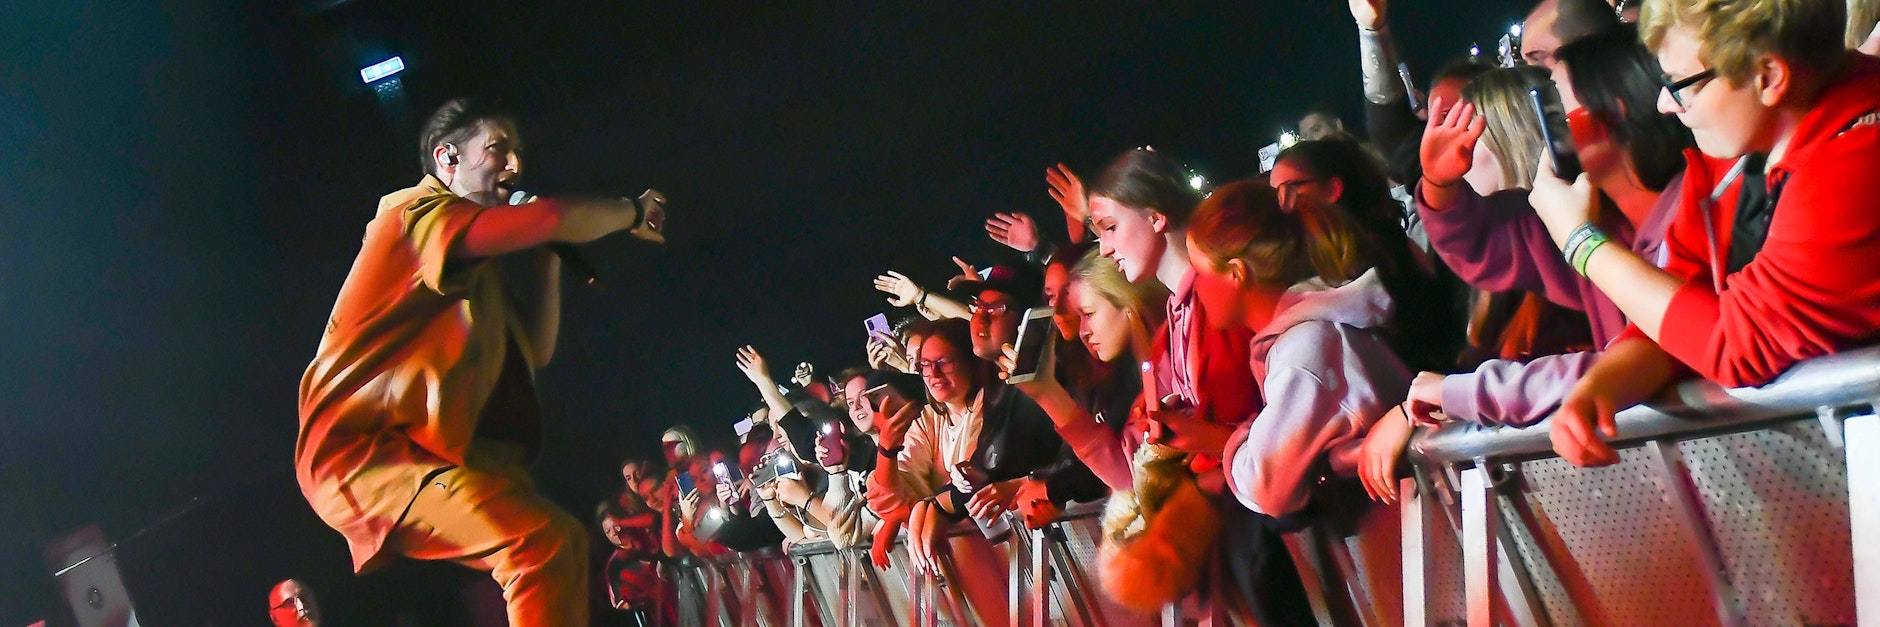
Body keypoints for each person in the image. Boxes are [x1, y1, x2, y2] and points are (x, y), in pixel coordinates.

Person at [294, 98, 668, 626]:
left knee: (558, 540)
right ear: (447, 158)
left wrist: (546, 256)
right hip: (363, 454)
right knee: (538, 545)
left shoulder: (472, 270)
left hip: (421, 452)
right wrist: (631, 211)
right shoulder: (414, 220)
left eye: (518, 152)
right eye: (498, 150)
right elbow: (554, 214)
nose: (515, 166)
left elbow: (534, 350)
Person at [1526, 0, 1880, 466]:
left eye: (1679, 85)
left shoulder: (1858, 161)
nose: (1663, 104)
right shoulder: (1733, 152)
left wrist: (1581, 242)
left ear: (1768, 76)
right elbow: (1679, 301)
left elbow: (1737, 343)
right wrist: (1603, 383)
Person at [1364, 25, 1693, 484]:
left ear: (1610, 114)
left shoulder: (1688, 217)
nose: (1548, 123)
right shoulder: (1587, 218)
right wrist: (1440, 186)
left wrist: (1455, 393)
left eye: (1556, 105)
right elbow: (1480, 248)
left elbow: (1655, 351)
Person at [1087, 148, 1313, 625]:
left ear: (1155, 216)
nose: (1105, 248)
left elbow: (1269, 415)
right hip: (1239, 538)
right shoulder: (1174, 320)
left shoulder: (1225, 304)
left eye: (1109, 228)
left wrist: (1201, 450)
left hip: (1278, 533)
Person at [1186, 181, 1410, 624]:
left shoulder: (1306, 348)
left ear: (1235, 273)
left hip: (1418, 564)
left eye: (1198, 271)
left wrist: (1235, 443)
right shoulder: (1302, 340)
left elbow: (1266, 484)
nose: (1193, 288)